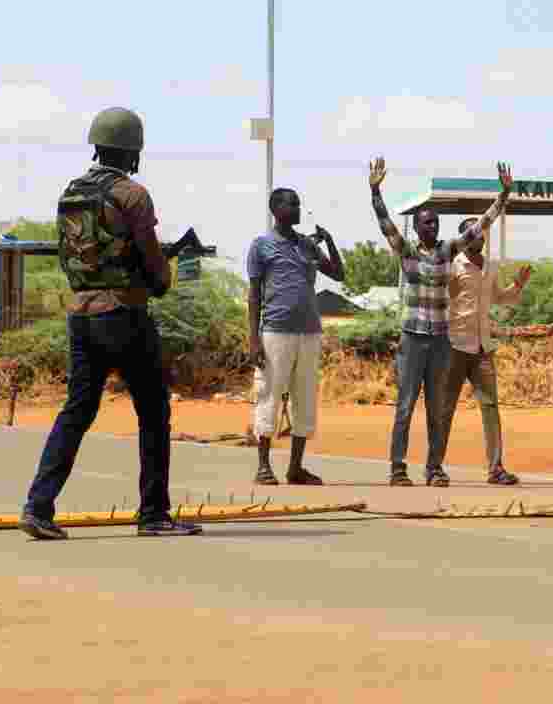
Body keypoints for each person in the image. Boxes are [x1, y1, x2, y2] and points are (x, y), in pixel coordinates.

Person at [19, 107, 202, 539]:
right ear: (133, 152)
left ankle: (38, 507)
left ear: (97, 145)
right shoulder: (132, 194)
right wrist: (161, 276)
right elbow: (154, 266)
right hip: (122, 314)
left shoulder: (71, 192)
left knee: (76, 412)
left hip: (80, 315)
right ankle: (154, 514)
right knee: (154, 412)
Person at [369, 158, 513, 487]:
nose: (431, 228)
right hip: (412, 340)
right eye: (426, 223)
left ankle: (434, 469)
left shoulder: (447, 252)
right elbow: (385, 223)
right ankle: (398, 468)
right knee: (405, 407)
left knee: (436, 409)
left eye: (435, 223)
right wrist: (375, 191)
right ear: (417, 227)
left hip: (439, 343)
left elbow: (480, 227)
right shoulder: (406, 251)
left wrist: (503, 196)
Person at [247, 188, 345, 485]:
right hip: (274, 332)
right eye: (293, 204)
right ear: (276, 209)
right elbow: (254, 296)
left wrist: (328, 241)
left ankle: (295, 468)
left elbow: (338, 274)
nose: (299, 208)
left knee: (304, 399)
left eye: (299, 203)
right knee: (268, 395)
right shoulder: (261, 246)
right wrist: (253, 340)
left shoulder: (307, 245)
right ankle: (263, 466)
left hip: (309, 333)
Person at [439, 217, 531, 485]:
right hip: (454, 346)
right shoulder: (452, 266)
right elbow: (441, 300)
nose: (480, 237)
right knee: (445, 409)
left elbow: (500, 298)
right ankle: (435, 468)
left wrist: (517, 286)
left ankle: (496, 468)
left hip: (482, 347)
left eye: (482, 233)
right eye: (474, 233)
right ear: (463, 238)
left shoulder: (490, 267)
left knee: (490, 407)